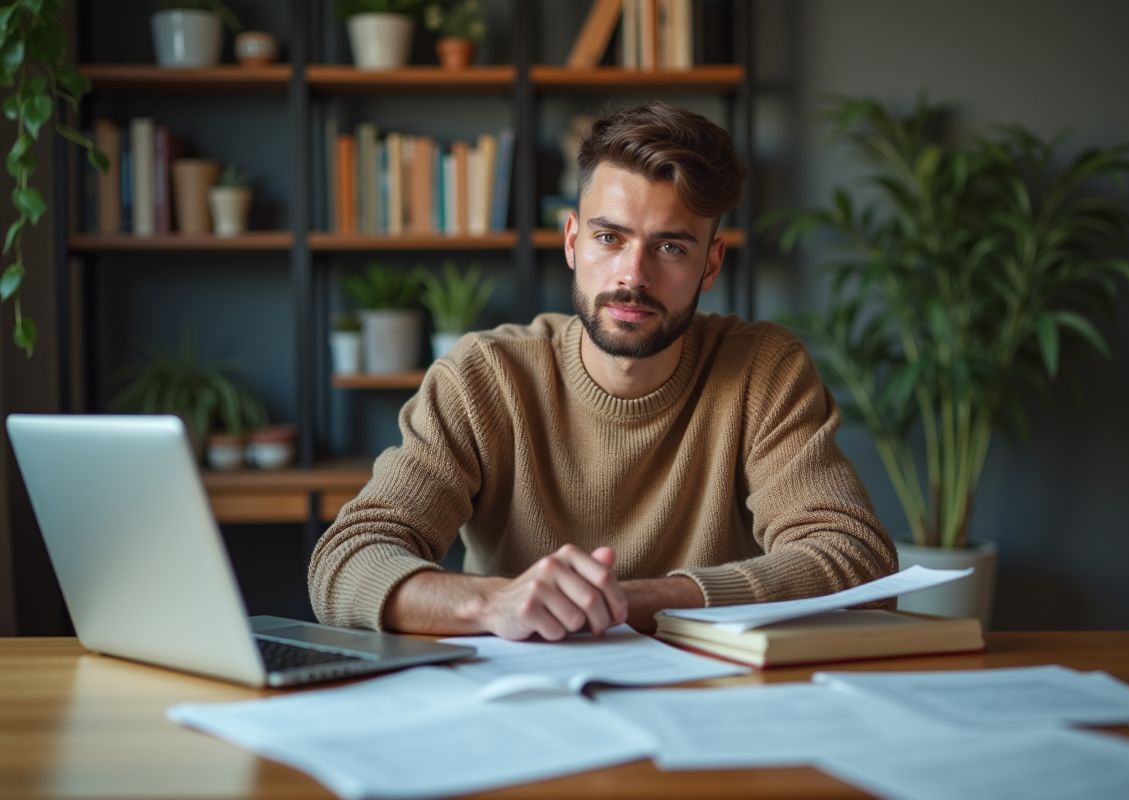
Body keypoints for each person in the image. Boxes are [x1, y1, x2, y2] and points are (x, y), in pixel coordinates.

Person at [309, 101, 897, 641]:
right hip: (520, 712)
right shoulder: (485, 377)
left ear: (710, 264)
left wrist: (630, 601)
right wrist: (496, 604)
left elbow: (856, 561)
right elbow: (346, 562)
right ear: (571, 241)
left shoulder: (762, 370)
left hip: (707, 709)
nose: (632, 276)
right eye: (609, 237)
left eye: (670, 247)